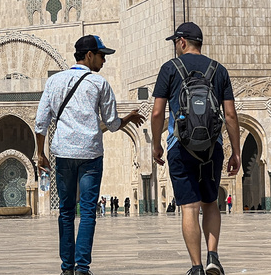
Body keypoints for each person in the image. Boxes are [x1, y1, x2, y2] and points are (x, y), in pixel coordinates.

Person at [35, 35, 145, 275]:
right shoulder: (99, 84)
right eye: (101, 55)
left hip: (63, 153)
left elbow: (40, 122)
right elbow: (112, 124)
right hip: (91, 154)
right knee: (86, 212)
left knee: (65, 211)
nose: (104, 60)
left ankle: (67, 268)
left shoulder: (55, 82)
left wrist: (40, 154)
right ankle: (82, 268)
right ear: (88, 55)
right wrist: (128, 119)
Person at [151, 22, 241, 275]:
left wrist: (156, 144)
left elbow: (158, 112)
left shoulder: (169, 69)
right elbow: (231, 115)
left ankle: (197, 266)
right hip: (212, 147)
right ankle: (213, 256)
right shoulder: (218, 70)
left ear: (181, 42)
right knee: (210, 203)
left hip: (180, 145)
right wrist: (236, 151)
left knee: (189, 207)